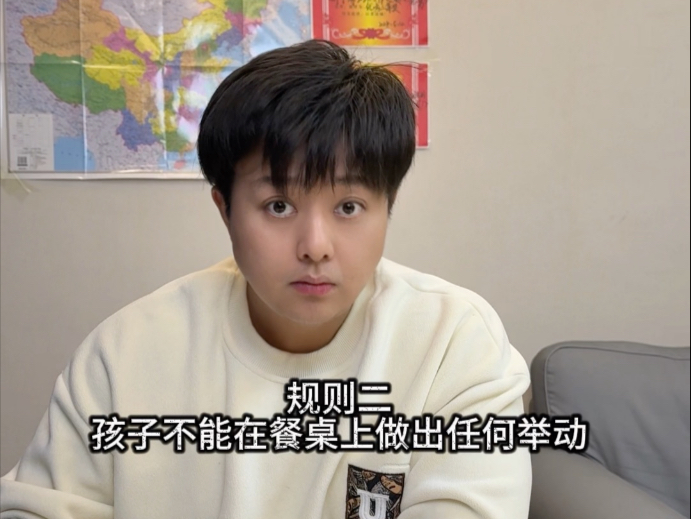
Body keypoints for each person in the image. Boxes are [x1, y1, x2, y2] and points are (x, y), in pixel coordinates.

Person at [0, 40, 531, 518]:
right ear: (225, 209)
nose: (316, 246)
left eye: (348, 206)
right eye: (279, 205)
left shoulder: (453, 344)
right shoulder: (125, 353)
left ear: (387, 207)